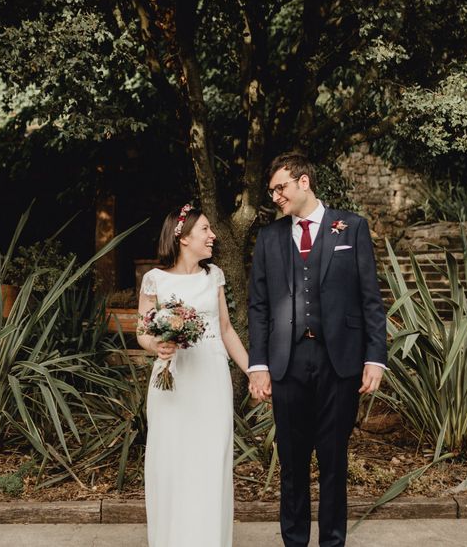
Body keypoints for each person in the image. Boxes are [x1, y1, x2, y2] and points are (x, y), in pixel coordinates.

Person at [247, 153, 388, 547]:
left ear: (304, 182)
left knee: (333, 461)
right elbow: (258, 307)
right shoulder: (270, 238)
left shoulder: (351, 227)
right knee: (291, 463)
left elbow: (370, 299)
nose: (275, 196)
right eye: (272, 190)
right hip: (287, 363)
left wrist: (375, 357)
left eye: (281, 187)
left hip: (339, 361)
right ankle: (294, 541)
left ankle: (332, 542)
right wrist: (258, 364)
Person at [136, 204, 250, 547]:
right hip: (172, 381)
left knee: (210, 461)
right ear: (183, 237)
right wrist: (158, 346)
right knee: (171, 461)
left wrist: (256, 371)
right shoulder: (154, 279)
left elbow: (227, 330)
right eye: (205, 229)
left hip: (211, 380)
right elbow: (142, 331)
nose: (212, 235)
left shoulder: (213, 276)